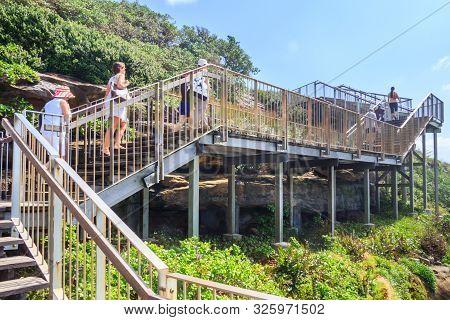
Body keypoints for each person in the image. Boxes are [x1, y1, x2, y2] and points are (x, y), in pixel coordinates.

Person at [102, 62, 130, 156]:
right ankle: (105, 148)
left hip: (114, 103)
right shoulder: (120, 76)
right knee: (112, 126)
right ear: (121, 68)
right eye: (124, 68)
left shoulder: (112, 78)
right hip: (116, 103)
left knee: (123, 124)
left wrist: (105, 103)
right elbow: (120, 86)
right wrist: (127, 83)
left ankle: (117, 144)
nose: (125, 70)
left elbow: (107, 92)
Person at [40, 86, 73, 157]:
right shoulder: (62, 102)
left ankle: (53, 168)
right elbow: (67, 116)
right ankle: (43, 167)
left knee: (54, 154)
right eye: (67, 96)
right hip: (56, 130)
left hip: (46, 129)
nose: (68, 98)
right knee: (58, 155)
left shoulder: (48, 103)